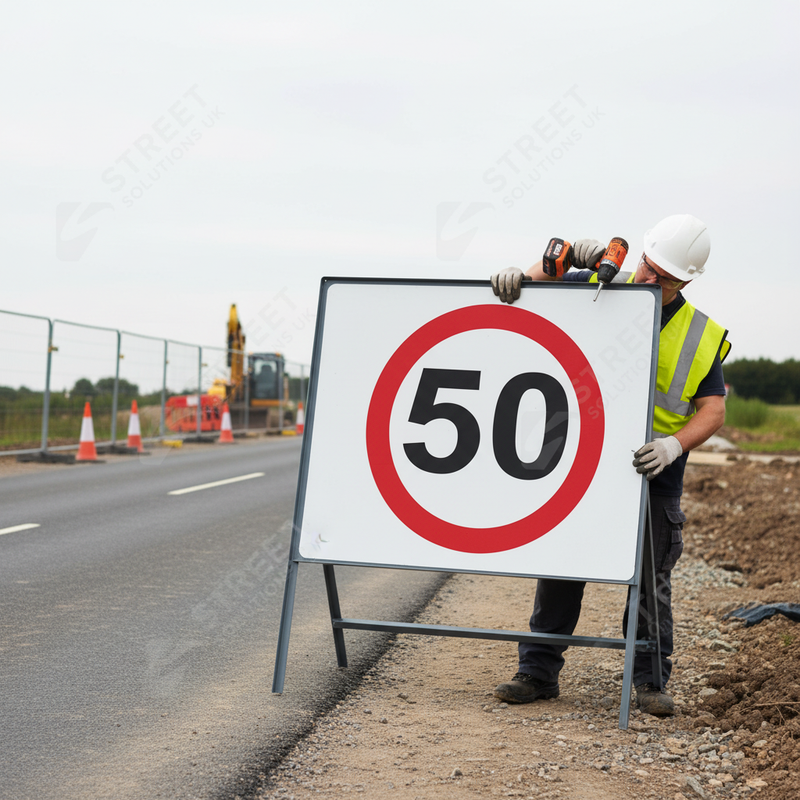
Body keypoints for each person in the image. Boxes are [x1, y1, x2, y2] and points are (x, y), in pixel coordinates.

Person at [489, 214, 730, 717]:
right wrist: (522, 273)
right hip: (578, 463)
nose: (646, 279)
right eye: (646, 265)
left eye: (661, 276)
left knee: (649, 580)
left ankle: (649, 682)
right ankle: (536, 673)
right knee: (561, 566)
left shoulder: (698, 335)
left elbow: (713, 409)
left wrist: (673, 445)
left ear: (684, 281)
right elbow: (540, 285)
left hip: (652, 474)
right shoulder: (600, 286)